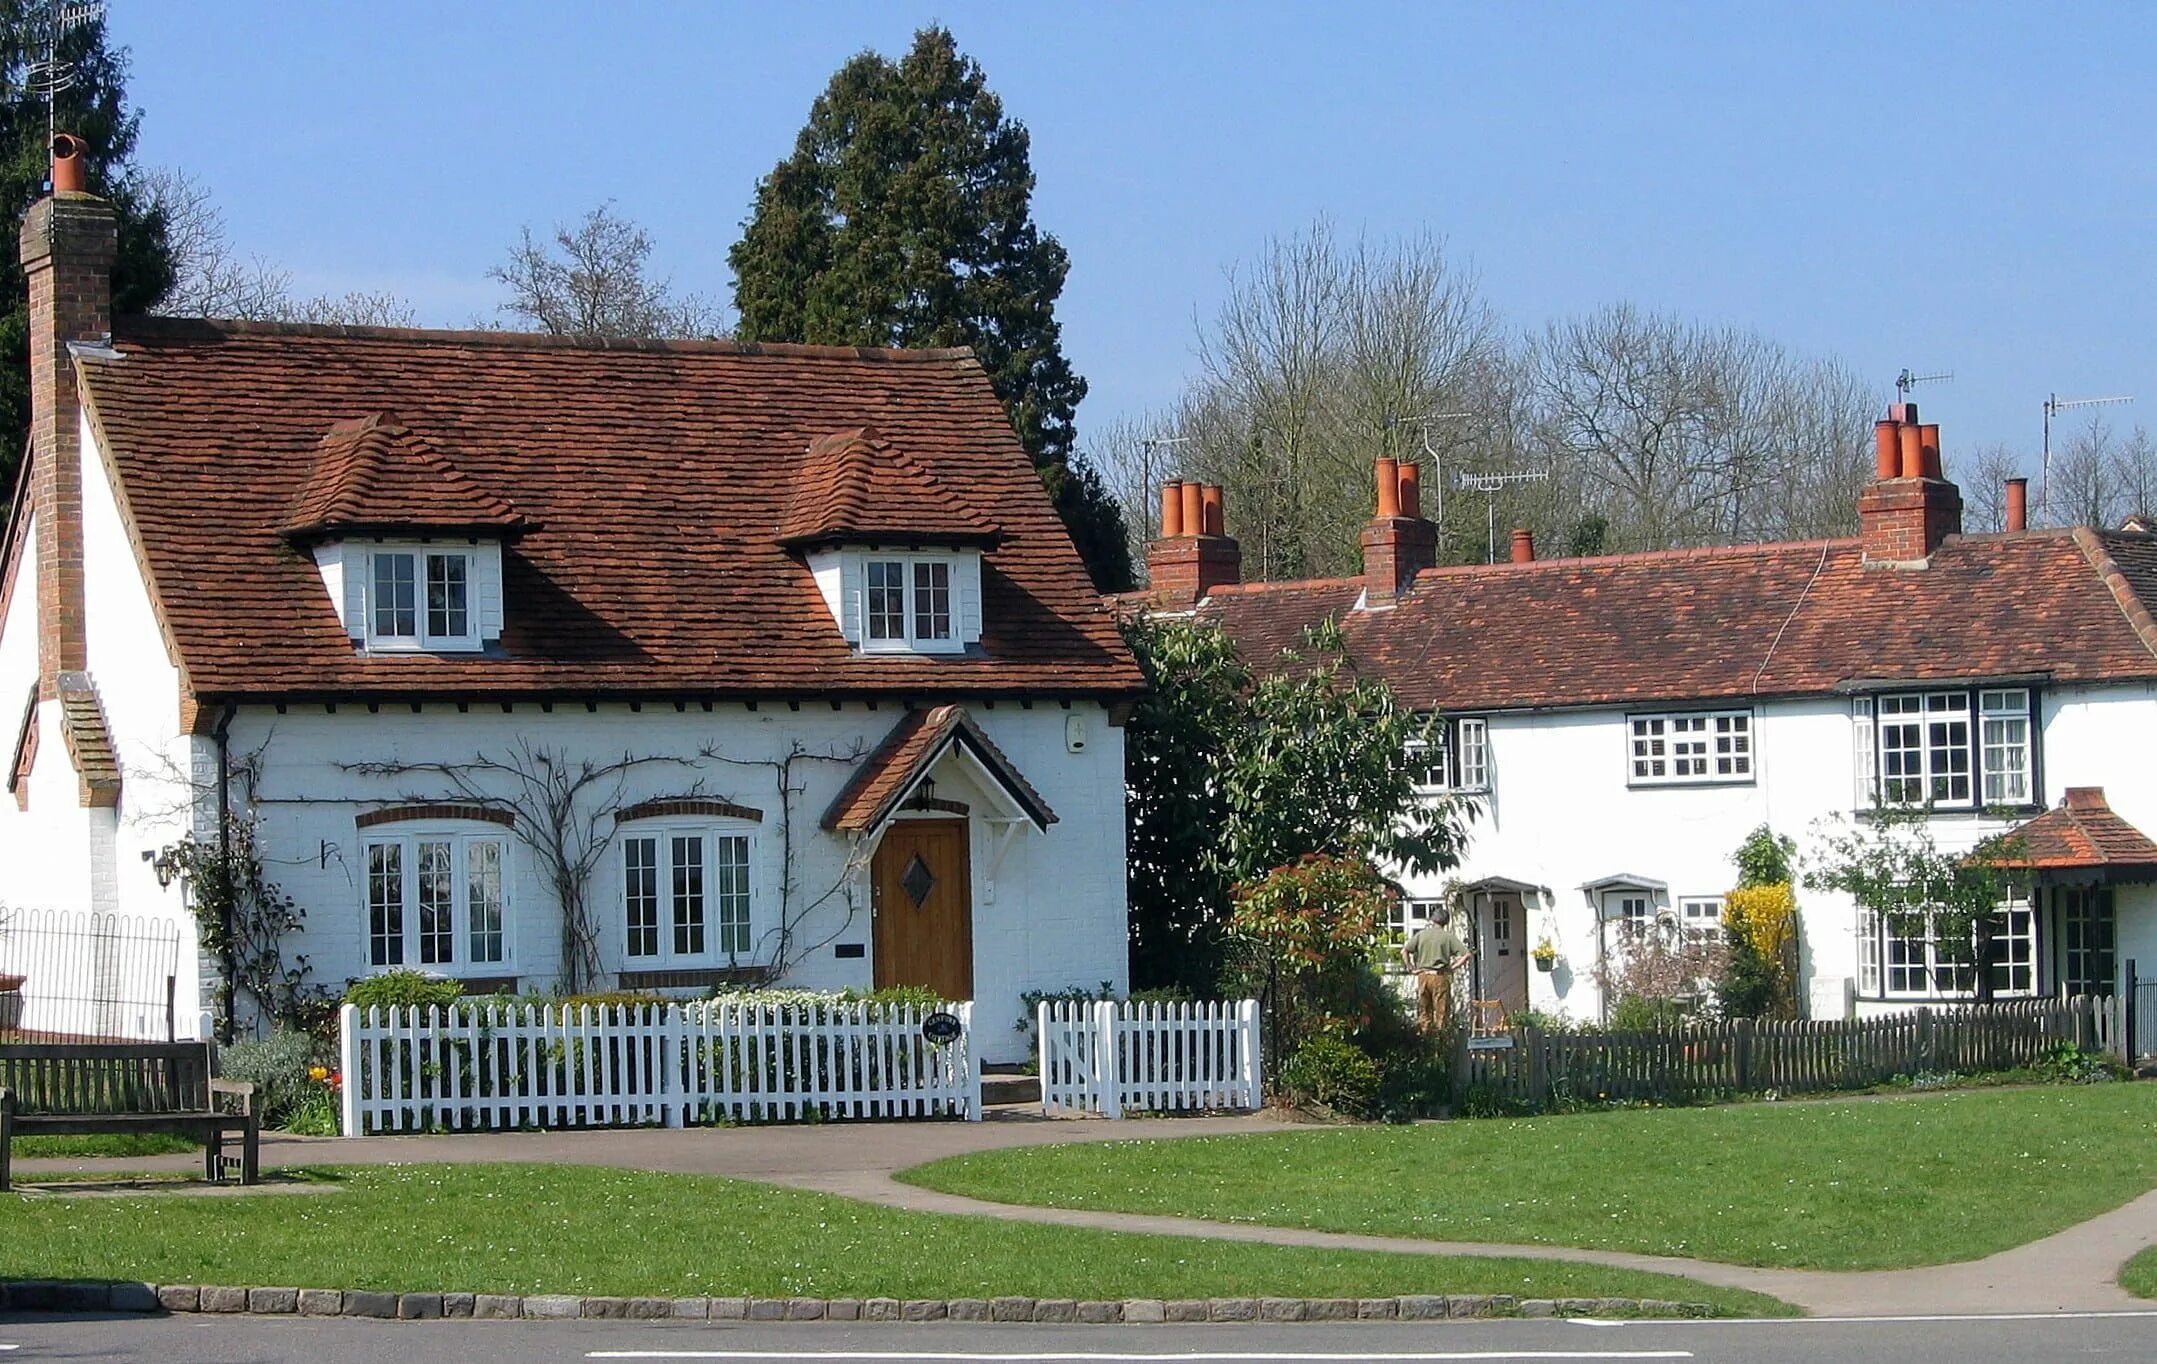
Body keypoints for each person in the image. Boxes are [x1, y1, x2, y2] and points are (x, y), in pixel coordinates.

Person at [1402, 906, 1471, 1033]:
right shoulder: (1447, 937)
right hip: (1439, 976)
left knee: (1424, 1011)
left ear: (1432, 920)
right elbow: (1467, 955)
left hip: (1423, 976)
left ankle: (1425, 1041)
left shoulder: (1421, 935)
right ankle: (1440, 1043)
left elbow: (1405, 951)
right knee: (1441, 1012)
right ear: (1446, 922)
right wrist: (1452, 968)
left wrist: (1410, 968)